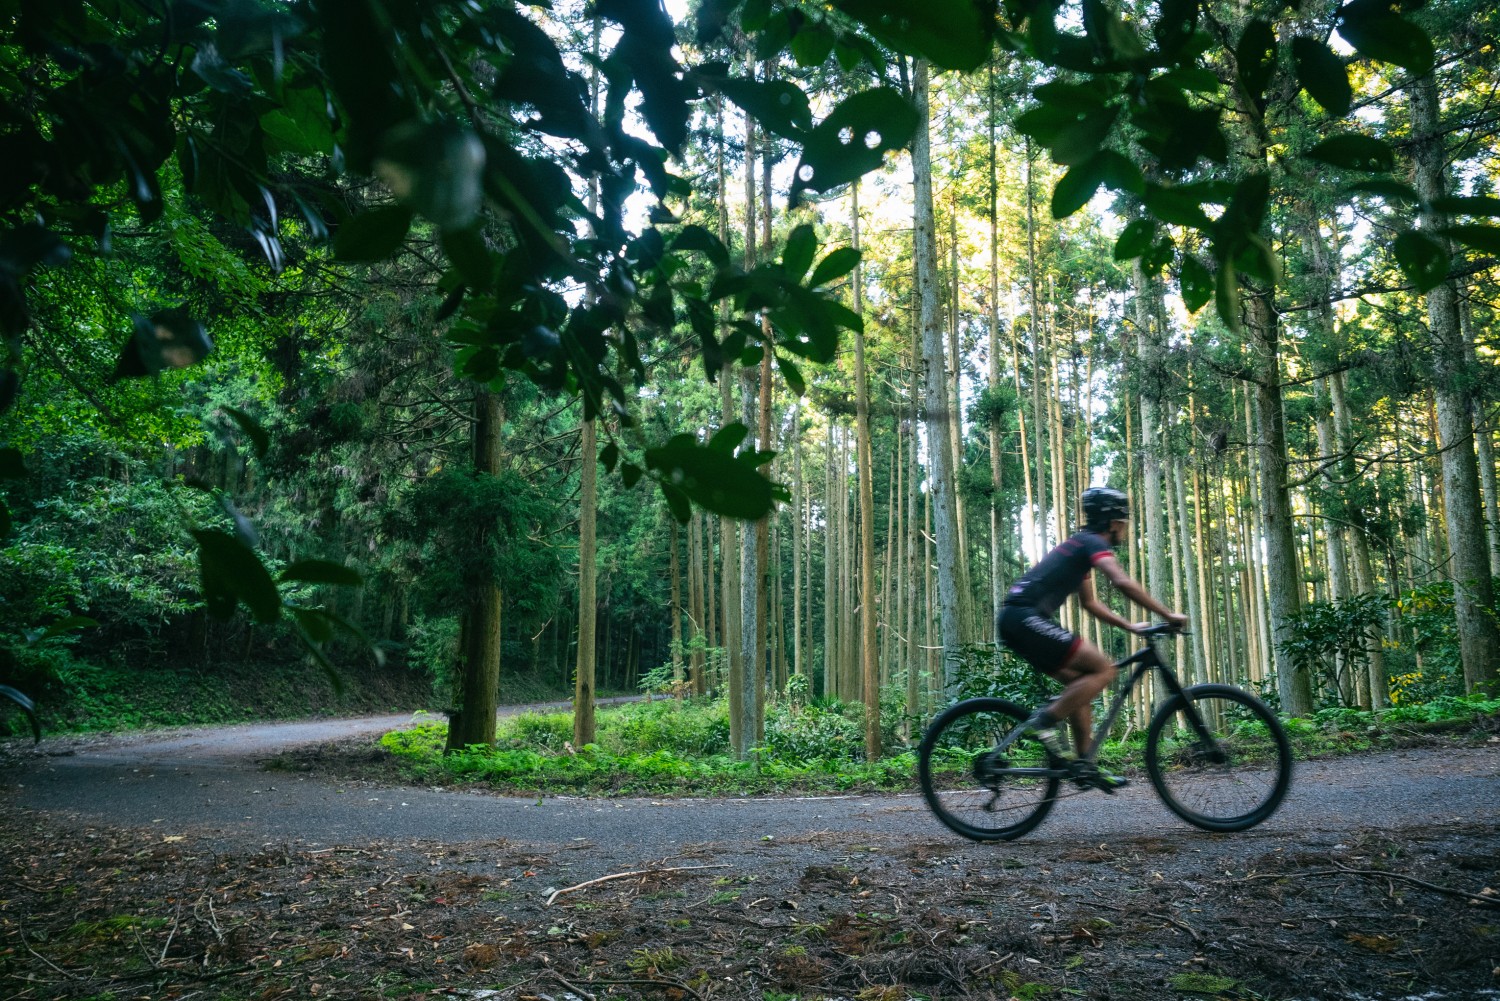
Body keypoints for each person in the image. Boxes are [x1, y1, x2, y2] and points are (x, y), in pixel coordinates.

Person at [997, 486, 1188, 792]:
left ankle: (1085, 766)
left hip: (1017, 621)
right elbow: (1121, 581)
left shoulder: (1079, 548)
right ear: (1113, 523)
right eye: (1124, 524)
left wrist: (1132, 627)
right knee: (1104, 669)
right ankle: (1042, 723)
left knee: (1081, 685)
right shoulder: (1090, 543)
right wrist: (1167, 615)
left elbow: (1091, 604)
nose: (1125, 530)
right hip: (1023, 618)